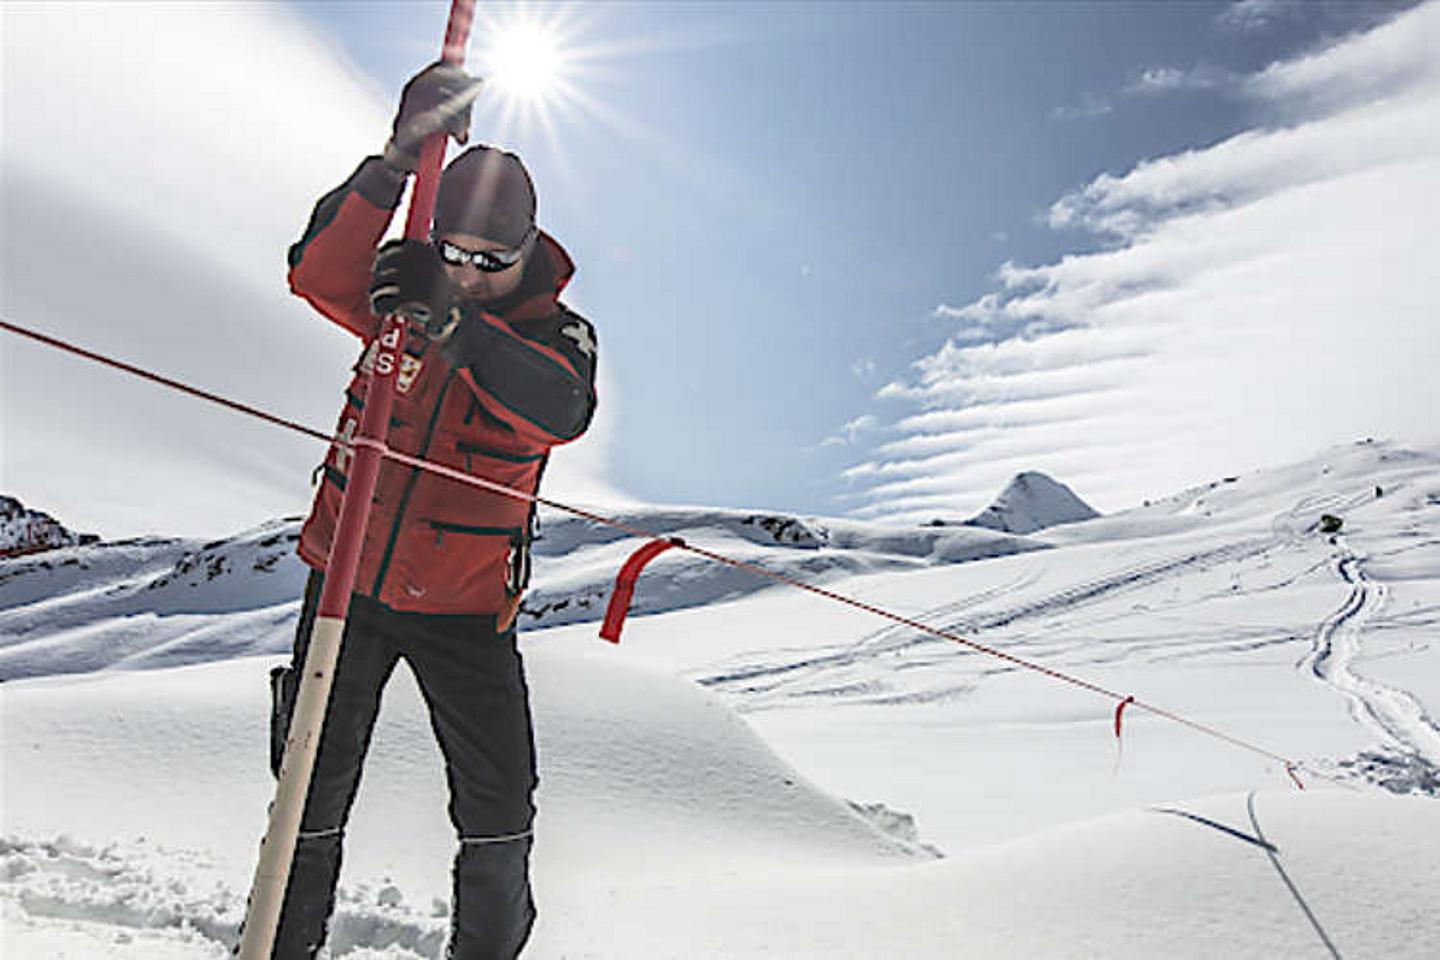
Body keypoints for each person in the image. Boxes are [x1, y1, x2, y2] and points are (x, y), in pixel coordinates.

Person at [267, 61, 597, 959]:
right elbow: (313, 273)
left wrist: (454, 320)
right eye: (452, 252)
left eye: (493, 261)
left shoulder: (549, 332)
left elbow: (561, 408)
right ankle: (278, 946)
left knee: (496, 806)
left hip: (464, 611)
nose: (470, 271)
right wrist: (398, 157)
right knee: (308, 788)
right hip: (347, 587)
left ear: (529, 249)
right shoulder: (396, 289)